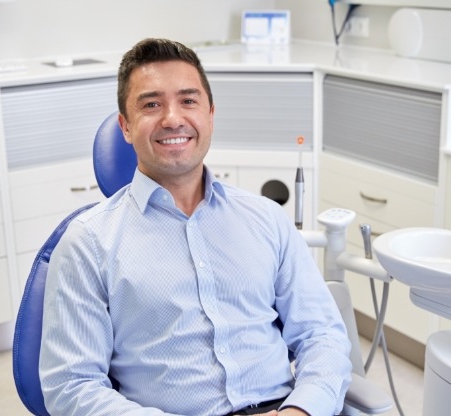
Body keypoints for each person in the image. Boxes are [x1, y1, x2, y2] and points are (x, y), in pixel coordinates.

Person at [39, 38, 352, 416]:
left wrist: (302, 409)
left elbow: (322, 335)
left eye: (188, 100)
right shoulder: (88, 243)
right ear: (125, 126)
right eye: (151, 104)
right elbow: (72, 387)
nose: (173, 118)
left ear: (210, 114)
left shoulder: (266, 219)